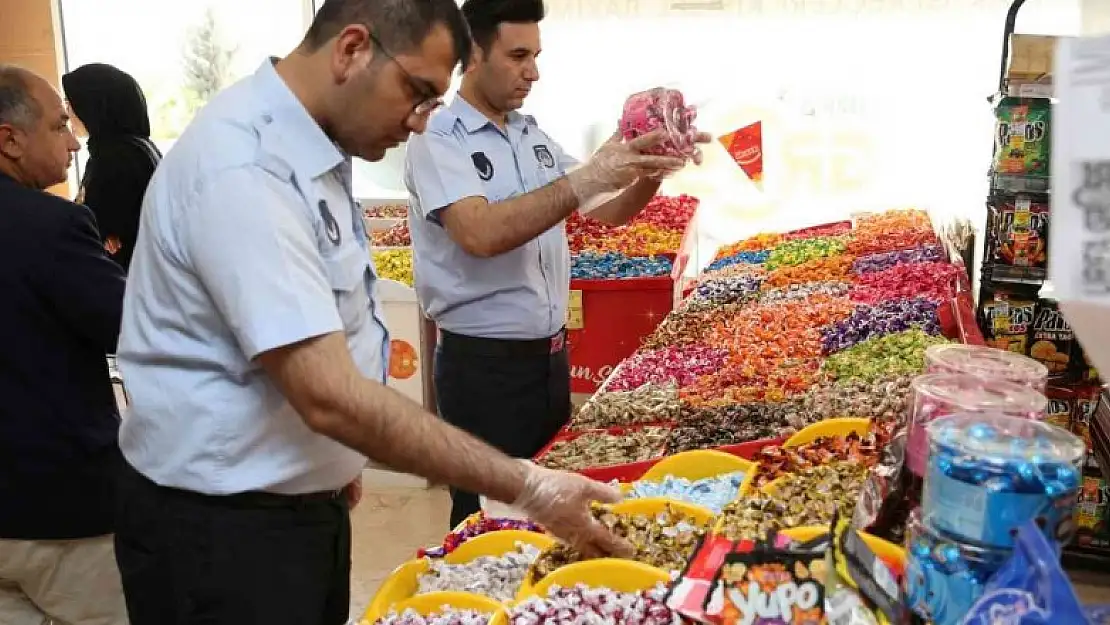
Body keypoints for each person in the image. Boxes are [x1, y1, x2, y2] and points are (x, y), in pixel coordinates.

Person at [112, 1, 653, 623]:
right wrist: (525, 485)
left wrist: (330, 460)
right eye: (418, 93)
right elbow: (329, 395)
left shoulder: (316, 146)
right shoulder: (245, 166)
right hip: (218, 526)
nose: (422, 123)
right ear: (351, 49)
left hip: (296, 501)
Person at [403, 0, 709, 527]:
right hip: (483, 372)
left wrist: (653, 167)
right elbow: (479, 232)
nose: (533, 72)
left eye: (537, 55)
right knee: (490, 523)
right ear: (473, 53)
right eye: (518, 55)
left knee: (555, 512)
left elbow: (608, 210)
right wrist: (588, 177)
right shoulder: (437, 137)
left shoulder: (532, 137)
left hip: (549, 362)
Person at [0, 64, 129, 625]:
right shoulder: (51, 225)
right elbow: (128, 323)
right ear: (10, 140)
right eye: (59, 126)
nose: (74, 141)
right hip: (63, 513)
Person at [62, 63, 162, 273]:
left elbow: (96, 229)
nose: (67, 112)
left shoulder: (116, 158)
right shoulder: (129, 148)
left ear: (94, 106)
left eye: (71, 103)